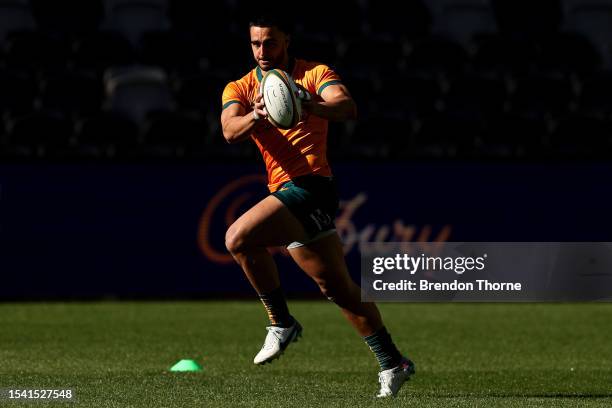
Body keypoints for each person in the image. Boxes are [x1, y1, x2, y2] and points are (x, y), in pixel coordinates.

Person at [220, 11, 415, 398]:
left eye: (270, 42)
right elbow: (229, 130)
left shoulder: (314, 74)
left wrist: (308, 104)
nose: (262, 50)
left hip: (312, 187)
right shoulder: (240, 87)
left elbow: (346, 106)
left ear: (287, 40)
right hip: (285, 190)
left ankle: (280, 322)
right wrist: (257, 115)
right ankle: (394, 362)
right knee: (338, 288)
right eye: (256, 42)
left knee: (237, 238)